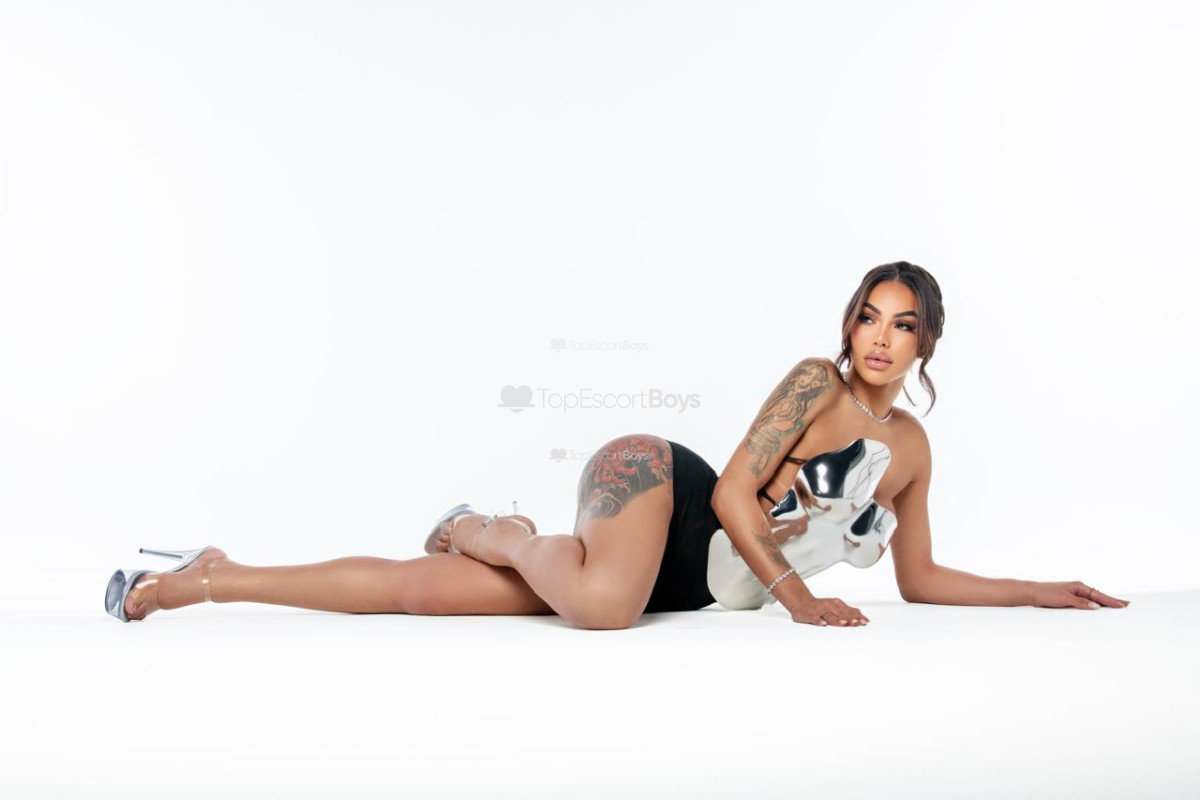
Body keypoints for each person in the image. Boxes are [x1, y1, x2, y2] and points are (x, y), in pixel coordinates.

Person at [104, 261, 1130, 628]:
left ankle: (214, 577)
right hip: (661, 487)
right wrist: (799, 597)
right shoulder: (814, 382)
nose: (879, 336)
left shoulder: (911, 450)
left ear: (927, 343)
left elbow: (922, 577)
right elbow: (730, 495)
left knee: (427, 595)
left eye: (903, 325)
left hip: (690, 586)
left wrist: (1037, 590)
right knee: (599, 606)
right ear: (850, 321)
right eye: (869, 314)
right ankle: (493, 527)